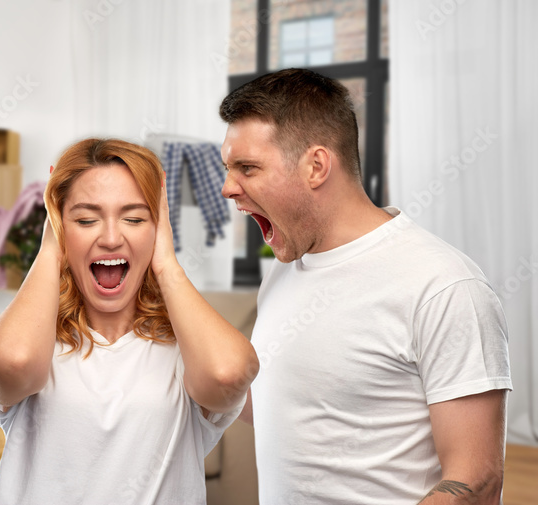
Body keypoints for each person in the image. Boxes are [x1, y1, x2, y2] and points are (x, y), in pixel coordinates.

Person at [219, 68, 513, 504]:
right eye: (229, 168)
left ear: (316, 165)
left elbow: (476, 481)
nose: (228, 188)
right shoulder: (285, 269)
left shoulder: (444, 286)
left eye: (247, 168)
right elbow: (288, 409)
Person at [0, 138, 259, 504]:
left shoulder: (185, 351)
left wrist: (166, 263)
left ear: (158, 229)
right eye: (86, 219)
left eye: (135, 218)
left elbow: (228, 374)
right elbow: (13, 364)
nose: (111, 238)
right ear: (61, 226)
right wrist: (50, 247)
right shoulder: (35, 338)